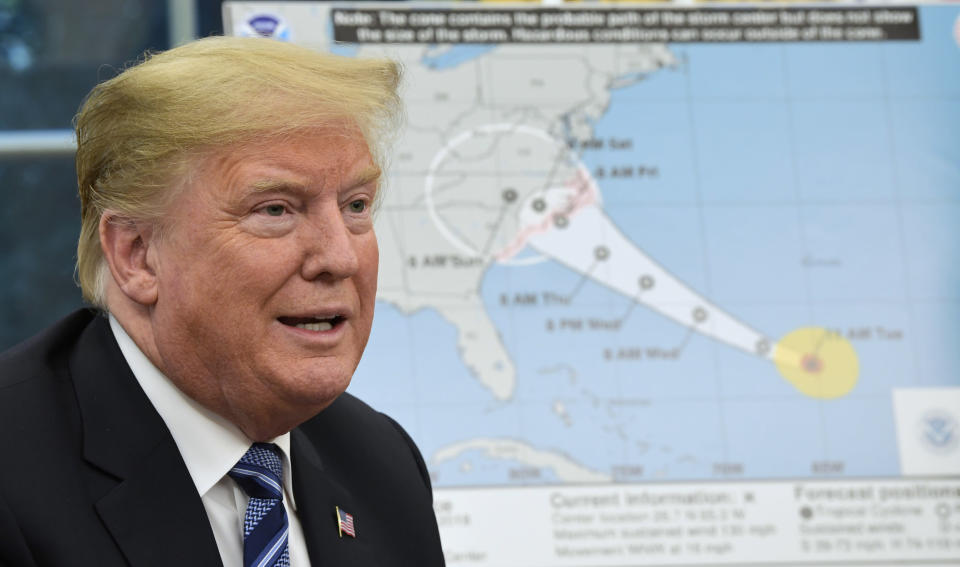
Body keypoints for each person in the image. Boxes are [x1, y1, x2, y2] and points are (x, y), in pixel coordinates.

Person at [0, 36, 444, 566]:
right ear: (137, 255)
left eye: (355, 205)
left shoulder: (381, 463)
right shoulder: (13, 473)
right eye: (276, 210)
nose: (340, 257)